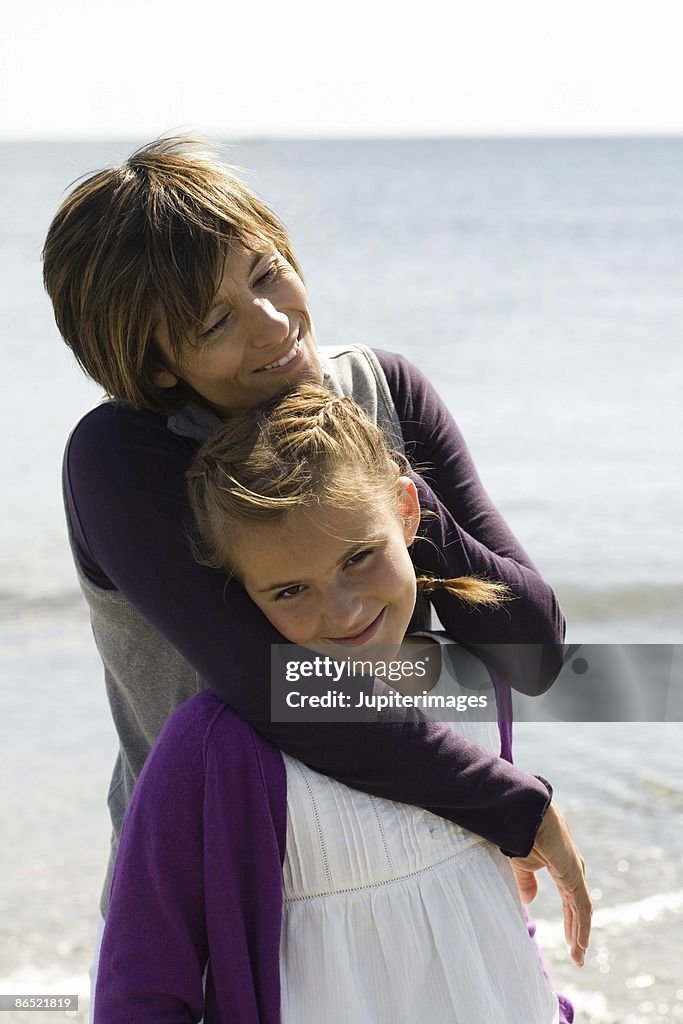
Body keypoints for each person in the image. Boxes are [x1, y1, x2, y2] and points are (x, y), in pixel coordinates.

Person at [41, 137, 589, 1019]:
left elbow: (530, 652)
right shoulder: (122, 460)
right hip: (230, 901)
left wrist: (383, 498)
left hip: (425, 864)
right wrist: (511, 802)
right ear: (151, 364)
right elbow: (280, 687)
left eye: (266, 273)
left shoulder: (382, 389)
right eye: (213, 322)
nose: (270, 322)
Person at [95, 383, 581, 1023]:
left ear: (408, 514)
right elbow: (142, 988)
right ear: (243, 593)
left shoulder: (471, 684)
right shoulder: (216, 746)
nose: (344, 611)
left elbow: (490, 913)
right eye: (290, 590)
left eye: (360, 557)